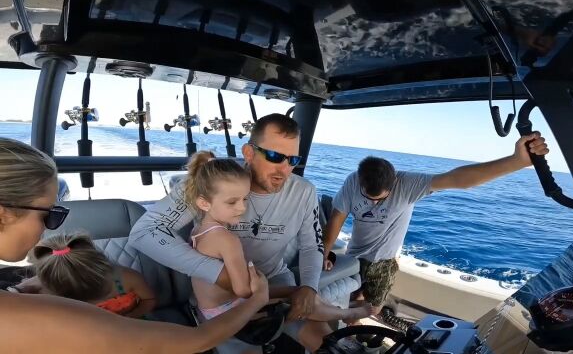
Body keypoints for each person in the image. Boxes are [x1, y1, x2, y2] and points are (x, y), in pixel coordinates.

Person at [0, 137, 269, 353]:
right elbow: (196, 340)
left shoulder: (20, 299)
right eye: (48, 214)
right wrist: (257, 299)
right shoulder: (19, 314)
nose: (49, 227)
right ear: (4, 214)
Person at [128, 113, 330, 353]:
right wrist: (219, 273)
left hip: (275, 280)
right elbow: (144, 232)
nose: (284, 169)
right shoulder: (214, 181)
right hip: (221, 295)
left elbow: (311, 246)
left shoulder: (304, 192)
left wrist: (309, 286)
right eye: (275, 156)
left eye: (293, 159)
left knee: (329, 343)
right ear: (248, 152)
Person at [322, 133, 550, 318]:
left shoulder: (408, 184)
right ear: (360, 180)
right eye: (368, 197)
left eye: (380, 198)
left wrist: (516, 162)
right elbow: (336, 218)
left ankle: (353, 330)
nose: (373, 203)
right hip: (354, 255)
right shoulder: (352, 181)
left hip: (384, 261)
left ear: (395, 182)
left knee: (373, 307)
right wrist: (324, 253)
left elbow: (457, 179)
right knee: (350, 299)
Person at [185, 152, 373, 324]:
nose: (242, 208)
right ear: (204, 203)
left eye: (244, 199)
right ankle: (347, 314)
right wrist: (259, 277)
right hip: (228, 311)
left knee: (300, 295)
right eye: (232, 202)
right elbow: (243, 290)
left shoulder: (198, 231)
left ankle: (344, 312)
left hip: (206, 308)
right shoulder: (227, 240)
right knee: (300, 300)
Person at [13, 233, 156, 318]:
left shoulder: (127, 277)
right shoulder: (42, 295)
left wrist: (129, 320)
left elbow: (149, 300)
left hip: (133, 329)